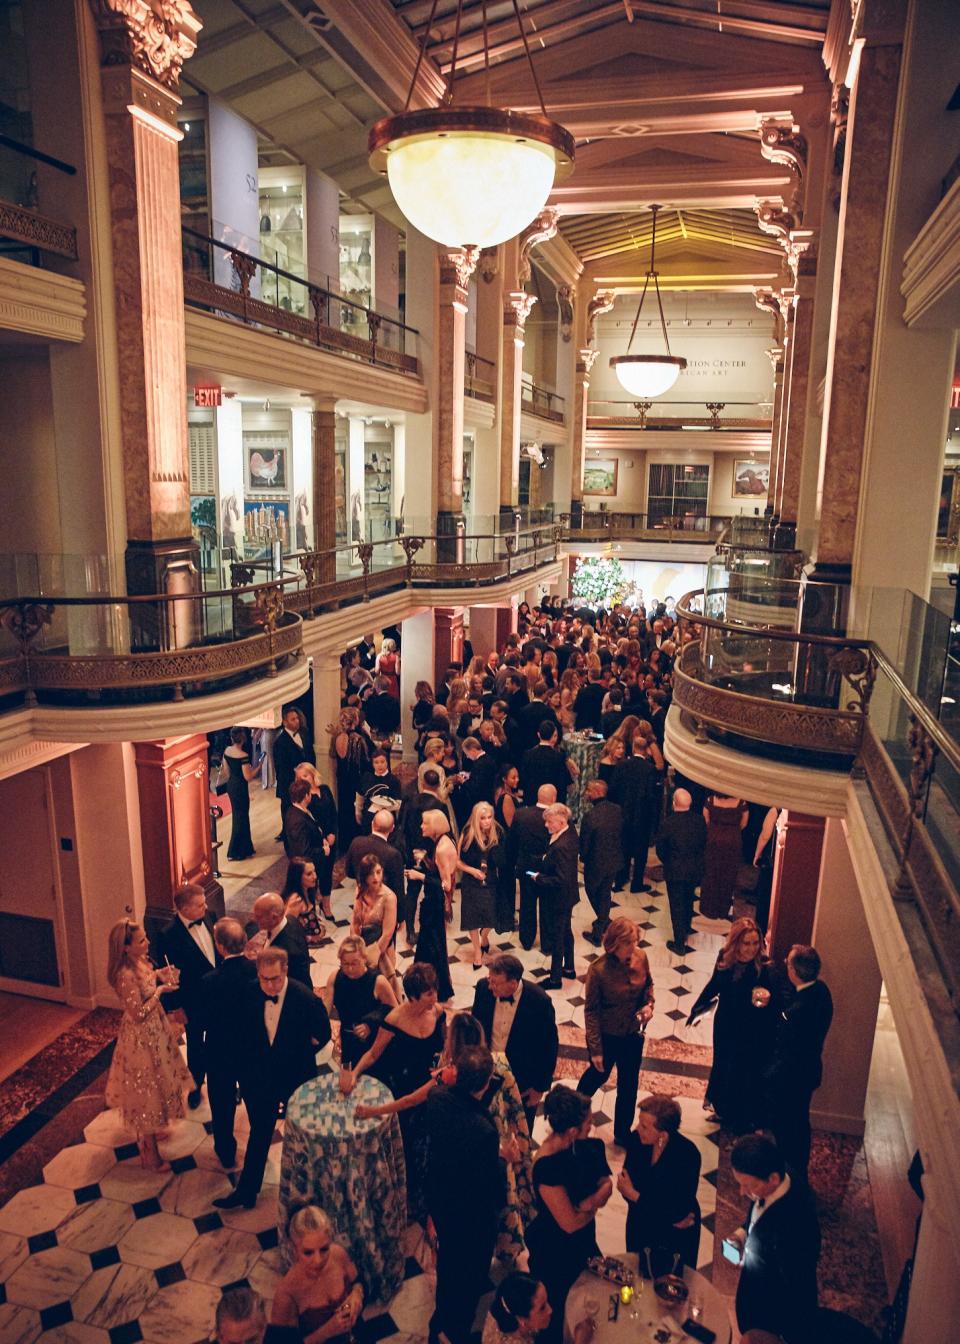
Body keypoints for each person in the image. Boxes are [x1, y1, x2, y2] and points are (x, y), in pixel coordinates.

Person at [214, 946, 331, 1210]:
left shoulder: (305, 998)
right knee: (260, 1133)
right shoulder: (247, 993)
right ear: (258, 973)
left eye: (275, 979)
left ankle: (310, 1190)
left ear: (285, 971)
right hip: (258, 1078)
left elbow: (323, 1033)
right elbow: (238, 1036)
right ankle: (247, 1192)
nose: (270, 985)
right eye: (265, 979)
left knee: (303, 1132)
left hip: (296, 1077)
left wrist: (299, 1050)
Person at [341, 961, 446, 1217]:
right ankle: (405, 1197)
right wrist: (354, 1073)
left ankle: (424, 1196)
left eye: (435, 991)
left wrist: (441, 1065)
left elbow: (443, 1048)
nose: (435, 998)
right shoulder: (394, 1019)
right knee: (406, 1146)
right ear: (412, 996)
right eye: (429, 993)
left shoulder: (438, 1012)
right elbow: (374, 1054)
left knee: (429, 1145)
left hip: (427, 1085)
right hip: (401, 1085)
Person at [424, 1046, 507, 1344]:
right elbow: (487, 1182)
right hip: (471, 1214)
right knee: (468, 1274)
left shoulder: (436, 1099)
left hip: (441, 1198)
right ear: (485, 1084)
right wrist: (503, 1159)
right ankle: (452, 1330)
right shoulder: (484, 1131)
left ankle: (443, 1319)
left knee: (448, 1265)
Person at [525, 1086, 612, 1344]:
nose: (592, 1124)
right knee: (557, 1309)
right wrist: (593, 1207)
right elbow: (569, 1224)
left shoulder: (587, 1146)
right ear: (572, 1130)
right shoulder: (547, 1167)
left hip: (583, 1241)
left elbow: (607, 1184)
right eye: (587, 1121)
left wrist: (591, 1201)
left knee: (590, 1301)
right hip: (555, 1249)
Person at [104, 918, 190, 1171]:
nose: (148, 942)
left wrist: (157, 975)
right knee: (147, 1093)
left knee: (161, 1083)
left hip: (156, 1030)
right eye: (141, 940)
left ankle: (154, 1131)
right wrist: (161, 990)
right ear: (126, 947)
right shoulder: (124, 974)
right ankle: (150, 1152)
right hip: (141, 1038)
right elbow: (138, 1012)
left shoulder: (140, 962)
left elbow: (145, 981)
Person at [687, 916, 779, 1131]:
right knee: (722, 1064)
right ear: (736, 942)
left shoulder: (764, 967)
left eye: (755, 943)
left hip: (750, 1027)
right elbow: (714, 985)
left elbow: (772, 1000)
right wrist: (697, 1008)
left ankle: (740, 1121)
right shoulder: (724, 958)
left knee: (742, 1072)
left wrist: (765, 999)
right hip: (726, 1023)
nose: (751, 949)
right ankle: (723, 1109)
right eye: (747, 943)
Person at [728, 1134, 821, 1343]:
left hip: (772, 1317)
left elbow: (796, 1286)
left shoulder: (797, 1227)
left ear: (773, 1179)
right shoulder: (777, 1174)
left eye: (749, 1186)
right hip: (752, 1295)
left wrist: (778, 1335)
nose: (743, 1193)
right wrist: (742, 1234)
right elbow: (758, 1216)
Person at [577, 918, 655, 1145]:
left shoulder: (641, 957)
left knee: (628, 1085)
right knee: (595, 1077)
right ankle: (573, 1118)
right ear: (614, 944)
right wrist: (596, 1050)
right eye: (629, 943)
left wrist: (649, 1004)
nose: (634, 947)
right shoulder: (598, 970)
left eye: (636, 941)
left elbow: (648, 984)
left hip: (632, 1034)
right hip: (607, 1036)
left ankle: (622, 1133)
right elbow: (591, 1011)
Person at [765, 944, 833, 1180]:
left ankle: (790, 1170)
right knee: (800, 1122)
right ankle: (795, 1167)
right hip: (809, 1071)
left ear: (793, 970)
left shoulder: (797, 1013)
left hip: (790, 1078)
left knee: (787, 1126)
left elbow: (783, 1044)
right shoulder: (822, 992)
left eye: (787, 963)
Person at [473, 953, 558, 1136]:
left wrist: (539, 1088)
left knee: (521, 1130)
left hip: (522, 1080)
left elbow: (549, 1048)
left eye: (495, 983)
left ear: (513, 983)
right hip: (487, 1074)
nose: (490, 985)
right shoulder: (482, 989)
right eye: (490, 980)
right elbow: (475, 1027)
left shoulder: (540, 1001)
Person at [618, 1094, 701, 1276]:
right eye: (639, 1122)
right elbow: (624, 1187)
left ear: (662, 1135)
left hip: (674, 1240)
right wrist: (665, 1214)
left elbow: (679, 1211)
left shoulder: (688, 1155)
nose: (637, 1129)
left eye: (644, 1126)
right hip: (640, 1228)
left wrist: (637, 1196)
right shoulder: (636, 1141)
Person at [199, 918, 257, 1172]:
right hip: (249, 1048)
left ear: (220, 947)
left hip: (220, 1050)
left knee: (221, 1104)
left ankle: (225, 1151)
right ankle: (258, 1145)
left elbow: (203, 1019)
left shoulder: (210, 980)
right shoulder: (257, 972)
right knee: (255, 1099)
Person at [156, 882, 220, 1109]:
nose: (205, 907)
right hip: (193, 1000)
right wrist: (176, 1008)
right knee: (195, 1043)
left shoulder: (210, 915)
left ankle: (224, 1085)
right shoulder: (168, 935)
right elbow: (169, 975)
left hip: (218, 995)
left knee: (222, 1041)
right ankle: (196, 1086)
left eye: (204, 903)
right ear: (183, 908)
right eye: (199, 905)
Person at [270, 1205, 364, 1344]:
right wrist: (326, 1332)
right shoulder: (286, 1294)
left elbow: (358, 1281)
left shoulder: (338, 1254)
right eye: (308, 1252)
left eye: (324, 1249)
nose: (318, 1260)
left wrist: (357, 1294)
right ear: (293, 1248)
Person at [323, 934, 398, 1067]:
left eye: (354, 963)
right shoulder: (335, 977)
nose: (350, 968)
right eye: (345, 964)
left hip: (374, 1039)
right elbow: (325, 1010)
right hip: (348, 1036)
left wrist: (371, 1023)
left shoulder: (378, 981)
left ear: (364, 959)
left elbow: (394, 1010)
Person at [531, 803, 579, 989]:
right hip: (568, 896)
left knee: (558, 936)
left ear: (561, 822)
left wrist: (539, 878)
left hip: (560, 897)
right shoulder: (568, 834)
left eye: (549, 822)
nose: (546, 825)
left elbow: (560, 878)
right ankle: (569, 968)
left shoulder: (562, 846)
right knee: (566, 931)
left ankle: (555, 979)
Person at [656, 787, 709, 954]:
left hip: (675, 870)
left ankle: (679, 944)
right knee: (688, 900)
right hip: (694, 869)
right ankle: (686, 928)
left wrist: (669, 862)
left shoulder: (667, 823)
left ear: (674, 803)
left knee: (676, 904)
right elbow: (703, 843)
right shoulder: (699, 821)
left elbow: (661, 850)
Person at [458, 800, 507, 970]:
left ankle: (484, 936)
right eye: (483, 818)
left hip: (492, 879)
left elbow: (503, 860)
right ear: (476, 819)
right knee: (472, 917)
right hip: (471, 881)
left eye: (489, 817)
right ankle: (477, 952)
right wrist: (471, 870)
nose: (487, 821)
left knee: (491, 917)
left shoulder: (498, 832)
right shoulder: (467, 833)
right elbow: (457, 861)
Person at [609, 734, 658, 893]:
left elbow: (613, 790)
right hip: (641, 816)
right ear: (645, 751)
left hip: (623, 813)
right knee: (640, 852)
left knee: (623, 847)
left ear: (633, 748)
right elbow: (651, 797)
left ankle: (620, 879)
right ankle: (637, 883)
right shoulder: (650, 769)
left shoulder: (622, 765)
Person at [345, 809, 406, 930]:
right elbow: (398, 888)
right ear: (392, 828)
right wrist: (401, 918)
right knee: (384, 943)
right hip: (383, 907)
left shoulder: (356, 843)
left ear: (372, 823)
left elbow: (349, 873)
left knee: (361, 939)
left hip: (361, 901)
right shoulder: (393, 854)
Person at [578, 779, 623, 946]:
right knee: (604, 893)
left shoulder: (590, 816)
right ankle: (604, 921)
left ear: (597, 792)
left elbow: (585, 843)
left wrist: (582, 858)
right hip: (614, 859)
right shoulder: (617, 810)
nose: (586, 794)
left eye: (588, 790)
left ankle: (599, 930)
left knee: (593, 891)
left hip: (596, 863)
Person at [511, 784, 554, 951]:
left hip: (526, 867)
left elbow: (513, 842)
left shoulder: (522, 814)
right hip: (547, 869)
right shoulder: (556, 817)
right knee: (547, 905)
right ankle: (547, 944)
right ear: (553, 798)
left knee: (527, 904)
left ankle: (527, 940)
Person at [294, 762, 338, 916]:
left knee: (327, 874)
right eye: (300, 777)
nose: (304, 779)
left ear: (313, 775)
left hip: (330, 839)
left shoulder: (324, 789)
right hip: (316, 843)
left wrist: (332, 833)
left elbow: (333, 812)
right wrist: (323, 839)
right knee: (314, 875)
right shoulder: (305, 798)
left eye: (306, 775)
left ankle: (326, 906)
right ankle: (312, 907)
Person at [349, 853, 399, 985]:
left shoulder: (389, 897)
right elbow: (355, 921)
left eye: (378, 872)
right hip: (362, 943)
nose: (375, 877)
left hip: (381, 950)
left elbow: (388, 934)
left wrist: (371, 956)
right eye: (371, 873)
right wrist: (355, 948)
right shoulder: (360, 890)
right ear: (364, 875)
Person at [247, 892, 312, 989]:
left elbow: (284, 986)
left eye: (259, 917)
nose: (255, 919)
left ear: (274, 917)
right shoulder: (290, 919)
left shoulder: (287, 951)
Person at [700, 792, 748, 919]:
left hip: (713, 840)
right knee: (728, 875)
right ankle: (722, 910)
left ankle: (708, 909)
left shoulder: (710, 801)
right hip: (732, 842)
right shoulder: (741, 803)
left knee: (711, 873)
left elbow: (706, 820)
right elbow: (743, 824)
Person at [332, 707, 371, 853]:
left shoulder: (338, 737)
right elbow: (364, 762)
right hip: (355, 779)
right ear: (355, 719)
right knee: (356, 810)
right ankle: (356, 843)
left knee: (344, 809)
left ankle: (344, 844)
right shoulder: (358, 739)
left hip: (342, 779)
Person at [273, 707, 315, 838]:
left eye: (297, 718)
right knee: (288, 809)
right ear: (285, 722)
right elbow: (280, 767)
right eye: (293, 719)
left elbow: (311, 755)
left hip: (306, 781)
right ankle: (287, 834)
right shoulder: (280, 742)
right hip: (289, 783)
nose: (297, 721)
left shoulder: (304, 734)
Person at [222, 727, 259, 860]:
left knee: (238, 816)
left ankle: (246, 849)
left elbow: (226, 771)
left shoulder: (226, 751)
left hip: (232, 786)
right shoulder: (243, 756)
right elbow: (248, 776)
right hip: (240, 788)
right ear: (243, 739)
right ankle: (235, 851)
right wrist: (259, 767)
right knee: (242, 817)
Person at [520, 720, 572, 805]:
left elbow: (523, 779)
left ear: (538, 735)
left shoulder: (527, 755)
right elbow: (563, 782)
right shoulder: (558, 757)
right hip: (553, 801)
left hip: (532, 800)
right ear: (553, 737)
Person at [280, 856, 325, 947]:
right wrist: (308, 938)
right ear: (298, 877)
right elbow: (286, 929)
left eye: (314, 871)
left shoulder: (308, 890)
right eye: (309, 874)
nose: (315, 876)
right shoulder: (296, 900)